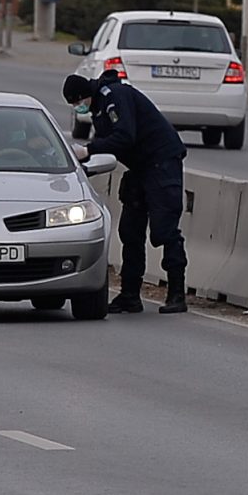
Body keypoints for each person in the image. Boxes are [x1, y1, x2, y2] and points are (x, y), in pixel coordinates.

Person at [65, 66, 189, 313]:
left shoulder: (115, 97)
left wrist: (89, 150)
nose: (79, 107)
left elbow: (124, 137)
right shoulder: (99, 106)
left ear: (84, 94)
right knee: (130, 231)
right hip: (141, 167)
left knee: (165, 230)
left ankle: (177, 294)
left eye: (78, 102)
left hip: (161, 163)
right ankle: (130, 295)